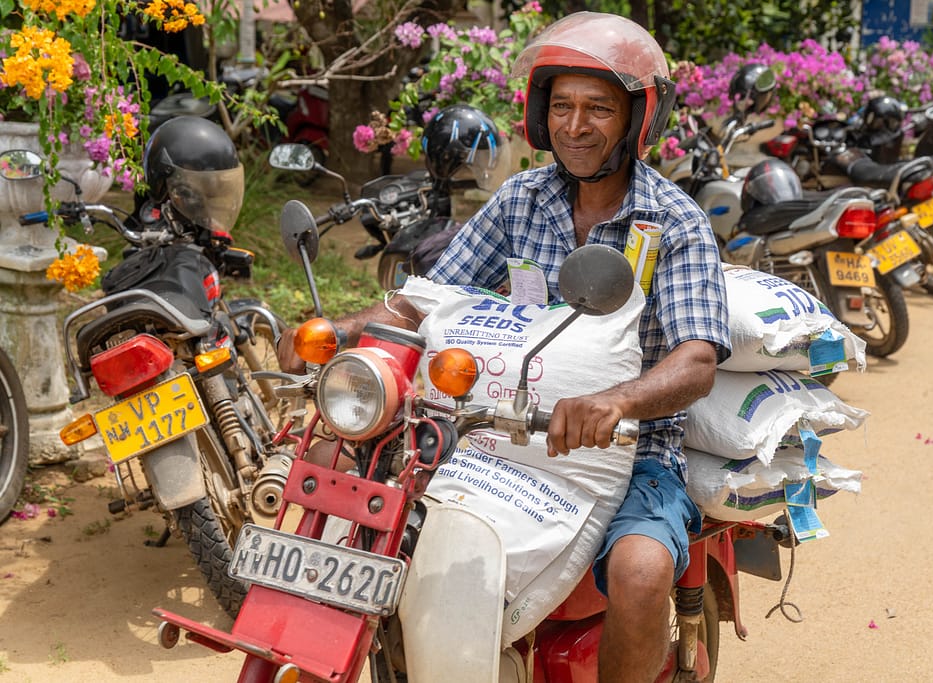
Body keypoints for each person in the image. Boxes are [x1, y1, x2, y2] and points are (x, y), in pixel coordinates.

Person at [278, 12, 730, 682]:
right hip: (490, 434)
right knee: (354, 493)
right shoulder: (520, 199)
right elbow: (426, 296)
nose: (575, 126)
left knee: (641, 572)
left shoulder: (673, 220)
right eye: (562, 106)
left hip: (630, 451)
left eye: (599, 109)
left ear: (639, 120)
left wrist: (614, 400)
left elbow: (696, 359)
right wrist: (342, 332)